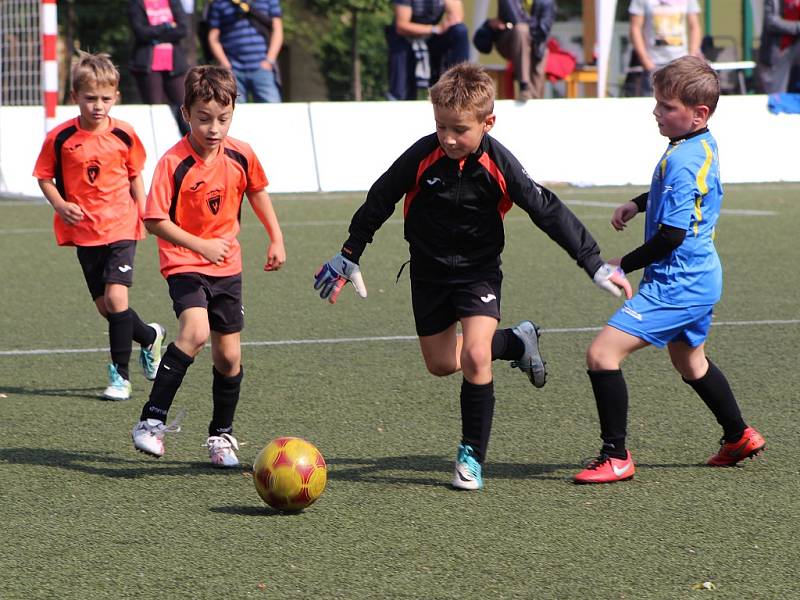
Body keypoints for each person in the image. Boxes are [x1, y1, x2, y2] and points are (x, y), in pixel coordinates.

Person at [313, 62, 631, 491]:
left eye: (460, 129)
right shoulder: (424, 153)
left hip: (478, 274)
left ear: (488, 123)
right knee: (443, 363)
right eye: (441, 126)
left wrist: (592, 261)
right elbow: (382, 196)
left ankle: (470, 457)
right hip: (427, 275)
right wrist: (350, 253)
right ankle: (518, 341)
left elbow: (546, 209)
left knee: (476, 357)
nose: (448, 138)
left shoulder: (500, 163)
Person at [574, 56, 766, 485]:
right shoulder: (699, 144)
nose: (657, 113)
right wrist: (639, 203)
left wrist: (622, 262)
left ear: (699, 113)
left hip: (678, 282)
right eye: (657, 103)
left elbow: (671, 237)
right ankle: (738, 435)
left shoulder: (682, 157)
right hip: (699, 276)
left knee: (602, 355)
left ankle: (615, 456)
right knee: (690, 361)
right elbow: (682, 195)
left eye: (666, 106)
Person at [131, 65, 286, 467]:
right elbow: (154, 220)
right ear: (186, 113)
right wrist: (200, 245)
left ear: (233, 111)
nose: (214, 128)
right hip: (184, 261)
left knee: (229, 358)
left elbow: (258, 191)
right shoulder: (172, 163)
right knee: (195, 332)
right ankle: (151, 421)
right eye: (204, 119)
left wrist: (276, 237)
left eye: (223, 118)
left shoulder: (241, 153)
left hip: (227, 267)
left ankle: (221, 436)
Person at [32, 51, 166, 401]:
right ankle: (150, 337)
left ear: (116, 97)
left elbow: (136, 175)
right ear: (74, 97)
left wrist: (145, 212)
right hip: (85, 232)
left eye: (106, 99)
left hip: (121, 226)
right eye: (90, 98)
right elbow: (44, 178)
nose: (98, 106)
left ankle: (119, 376)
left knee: (116, 296)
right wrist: (61, 205)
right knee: (107, 308)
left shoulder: (124, 135)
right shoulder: (60, 139)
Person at [128, 0, 191, 136]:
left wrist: (155, 33)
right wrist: (167, 26)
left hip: (175, 65)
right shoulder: (136, 3)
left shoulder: (173, 2)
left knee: (184, 109)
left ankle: (191, 145)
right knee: (154, 111)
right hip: (147, 67)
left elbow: (182, 29)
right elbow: (141, 32)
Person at [386, 0, 470, 100]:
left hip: (433, 38)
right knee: (399, 44)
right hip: (405, 38)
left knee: (459, 31)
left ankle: (458, 86)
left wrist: (445, 24)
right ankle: (399, 96)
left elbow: (457, 18)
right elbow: (401, 26)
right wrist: (434, 29)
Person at [206, 0, 283, 103]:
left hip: (263, 68)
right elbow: (213, 37)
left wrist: (270, 60)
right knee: (232, 113)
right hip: (233, 70)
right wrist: (225, 64)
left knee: (273, 112)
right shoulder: (219, 3)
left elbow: (277, 29)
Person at [625, 0, 701, 97]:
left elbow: (695, 26)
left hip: (681, 64)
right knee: (653, 105)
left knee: (682, 103)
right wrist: (646, 61)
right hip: (654, 64)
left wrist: (692, 56)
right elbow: (635, 28)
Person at [488, 0, 557, 100]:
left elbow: (543, 30)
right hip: (509, 42)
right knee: (521, 30)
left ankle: (533, 99)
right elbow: (515, 19)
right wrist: (533, 24)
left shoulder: (547, 2)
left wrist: (528, 34)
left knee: (540, 52)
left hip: (536, 44)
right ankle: (524, 86)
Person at [757, 0, 800, 94]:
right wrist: (797, 27)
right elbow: (771, 23)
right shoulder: (773, 1)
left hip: (794, 55)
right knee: (776, 96)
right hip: (776, 54)